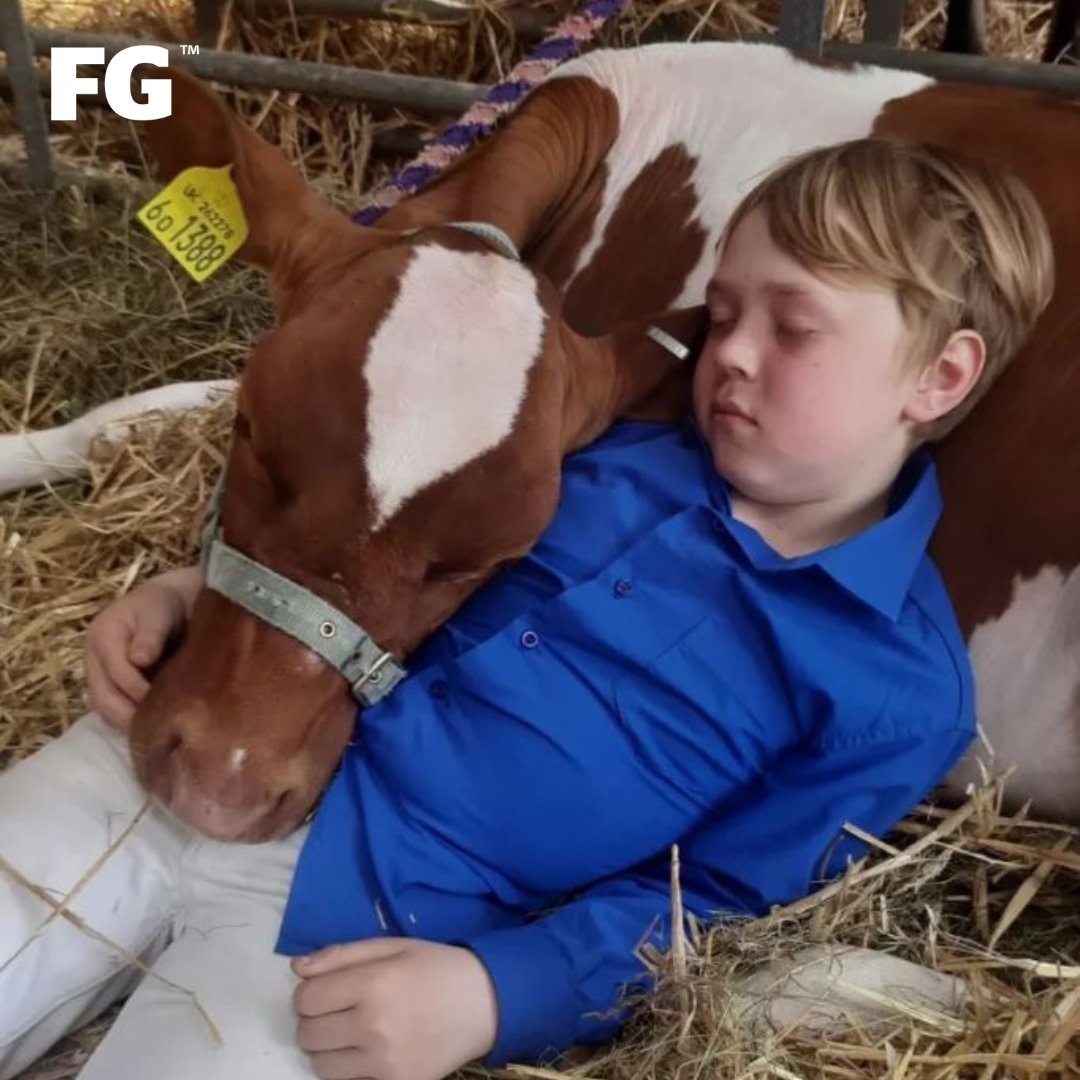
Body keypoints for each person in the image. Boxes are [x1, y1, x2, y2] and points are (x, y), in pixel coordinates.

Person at [0, 137, 1054, 1080]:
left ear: (940, 376)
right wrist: (190, 591)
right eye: (723, 312)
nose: (728, 351)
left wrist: (498, 997)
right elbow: (350, 528)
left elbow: (719, 908)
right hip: (152, 770)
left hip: (351, 936)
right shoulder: (575, 439)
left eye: (794, 327)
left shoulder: (894, 693)